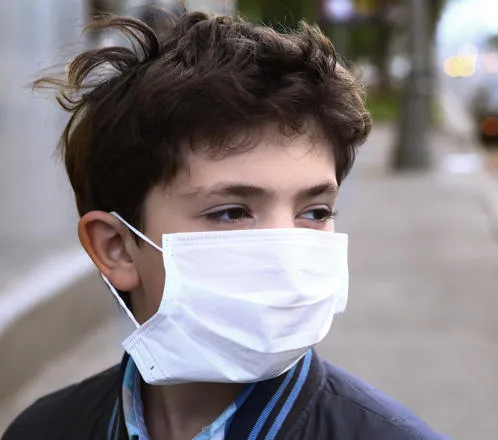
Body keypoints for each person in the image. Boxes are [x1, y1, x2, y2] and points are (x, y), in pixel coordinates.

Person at [3, 10, 447, 440]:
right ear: (116, 248)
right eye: (232, 212)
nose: (286, 255)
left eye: (315, 212)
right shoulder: (43, 430)